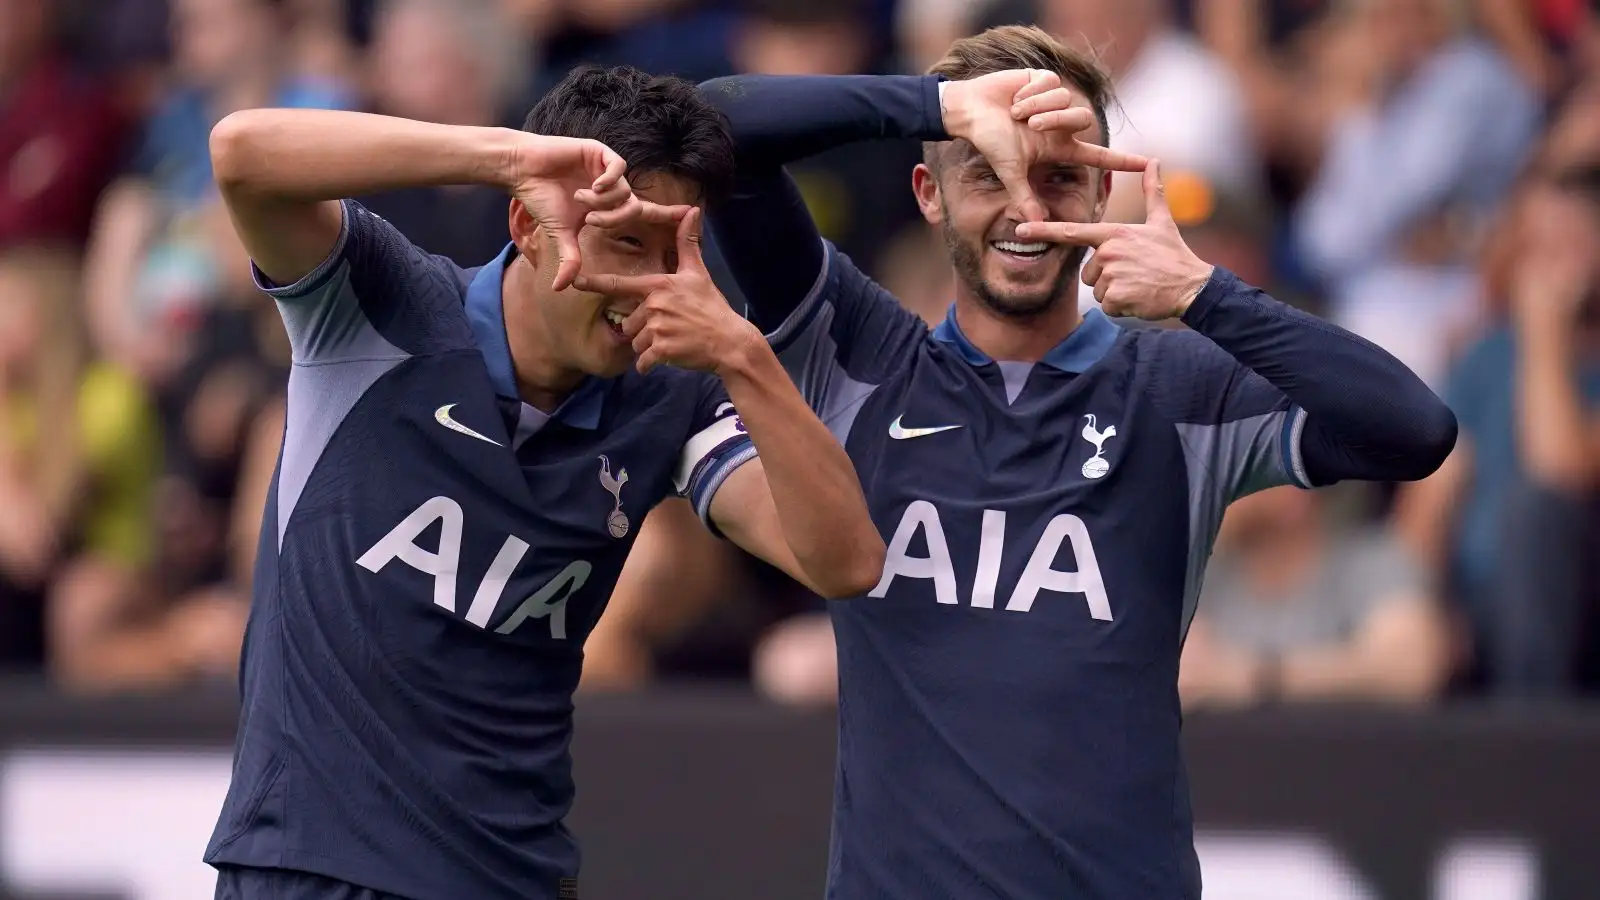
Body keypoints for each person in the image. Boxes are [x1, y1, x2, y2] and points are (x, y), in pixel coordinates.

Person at [694, 25, 1456, 899]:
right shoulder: (859, 350)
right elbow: (715, 123)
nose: (1024, 207)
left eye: (1058, 176)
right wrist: (938, 106)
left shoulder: (1177, 386)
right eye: (986, 169)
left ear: (1101, 190)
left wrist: (1208, 297)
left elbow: (1414, 430)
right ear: (928, 194)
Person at [201, 65, 885, 900]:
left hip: (512, 878)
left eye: (679, 254)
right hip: (313, 863)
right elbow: (241, 152)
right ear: (529, 223)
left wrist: (745, 356)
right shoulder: (383, 305)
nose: (651, 285)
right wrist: (506, 156)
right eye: (628, 244)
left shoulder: (674, 396)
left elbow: (842, 562)